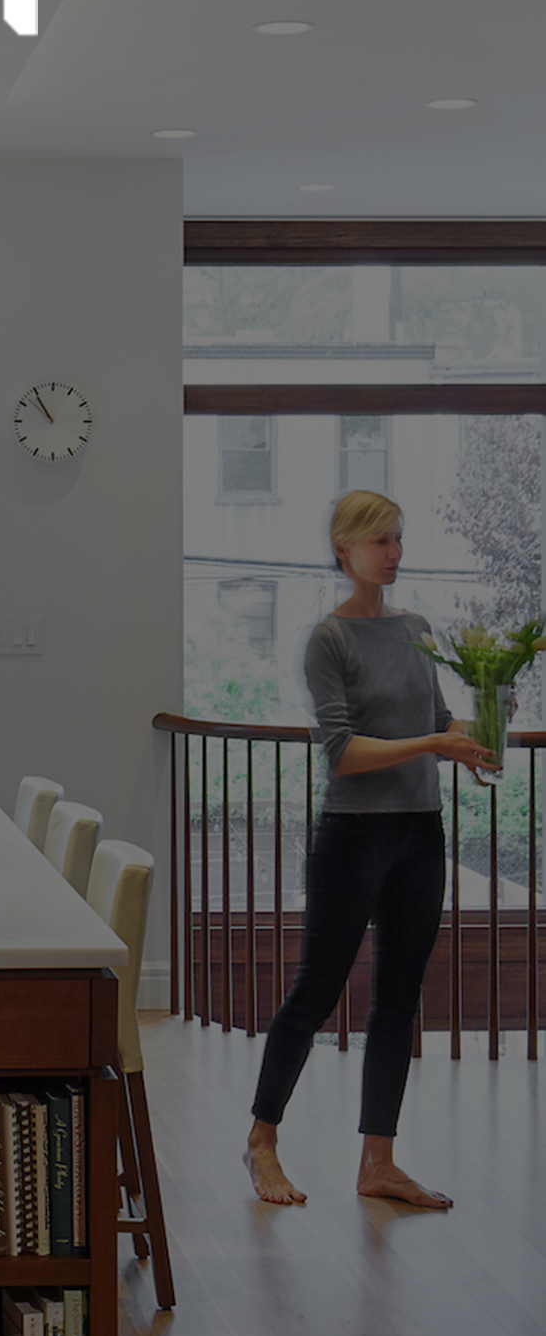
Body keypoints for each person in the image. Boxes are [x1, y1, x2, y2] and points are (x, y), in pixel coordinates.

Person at [243, 490, 495, 1210]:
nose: (394, 552)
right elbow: (342, 752)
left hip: (421, 831)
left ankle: (378, 1162)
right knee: (315, 994)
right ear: (343, 551)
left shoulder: (415, 629)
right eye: (380, 541)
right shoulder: (329, 640)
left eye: (398, 540)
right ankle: (262, 1141)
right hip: (355, 837)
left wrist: (473, 743)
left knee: (398, 1000)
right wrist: (435, 742)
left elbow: (438, 719)